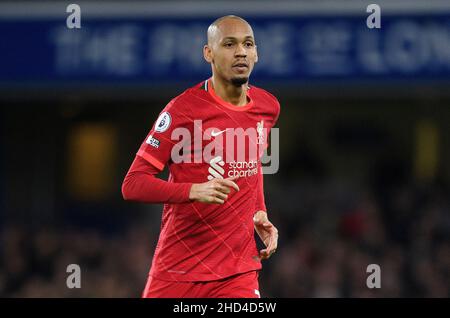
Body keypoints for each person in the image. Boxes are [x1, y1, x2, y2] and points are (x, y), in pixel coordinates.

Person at [122, 15, 280, 298]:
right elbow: (132, 184)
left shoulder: (268, 107)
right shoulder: (182, 110)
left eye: (248, 44)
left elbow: (253, 165)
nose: (241, 52)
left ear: (256, 53)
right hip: (177, 271)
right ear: (209, 53)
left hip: (238, 272)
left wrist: (260, 211)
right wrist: (193, 190)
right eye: (229, 44)